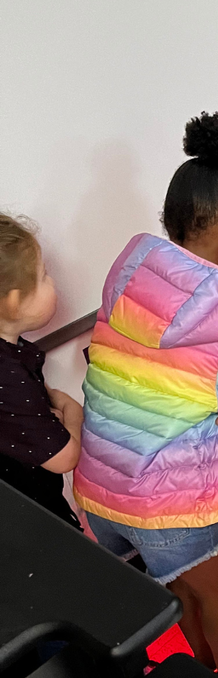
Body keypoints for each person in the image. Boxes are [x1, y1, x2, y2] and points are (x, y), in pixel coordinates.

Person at [73, 113, 218, 678]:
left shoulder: (128, 275)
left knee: (174, 587)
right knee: (216, 593)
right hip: (169, 499)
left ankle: (202, 666)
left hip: (101, 488)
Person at [0, 214, 83, 528]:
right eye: (44, 275)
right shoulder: (7, 377)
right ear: (12, 304)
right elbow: (65, 456)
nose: (52, 282)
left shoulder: (12, 353)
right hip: (31, 519)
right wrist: (72, 413)